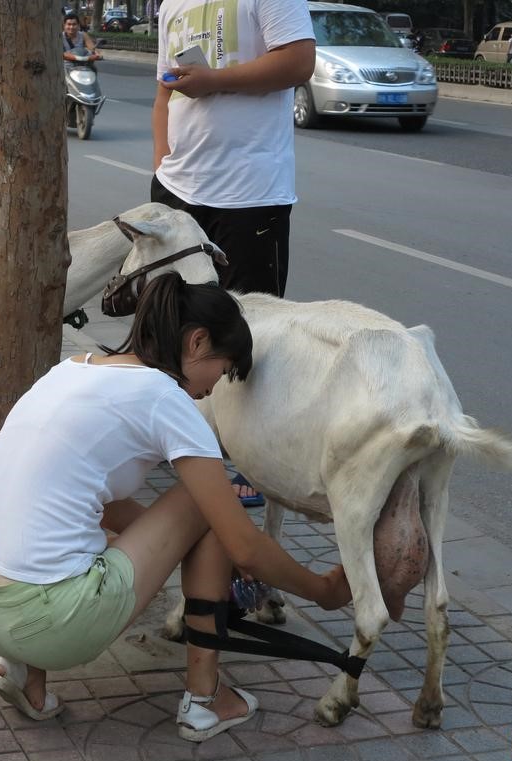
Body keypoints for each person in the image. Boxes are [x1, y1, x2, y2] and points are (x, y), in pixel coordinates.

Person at [0, 273, 351, 742]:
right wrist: (323, 590)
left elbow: (101, 506)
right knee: (208, 502)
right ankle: (206, 701)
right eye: (224, 369)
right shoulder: (165, 397)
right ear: (198, 340)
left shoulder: (67, 372)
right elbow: (244, 547)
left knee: (82, 525)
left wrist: (183, 546)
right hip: (56, 621)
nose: (216, 388)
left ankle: (24, 671)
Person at [151, 0, 315, 506]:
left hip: (250, 194)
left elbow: (299, 61)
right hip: (178, 189)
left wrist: (215, 80)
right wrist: (162, 167)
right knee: (169, 319)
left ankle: (246, 460)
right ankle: (180, 441)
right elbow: (165, 89)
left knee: (248, 330)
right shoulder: (171, 3)